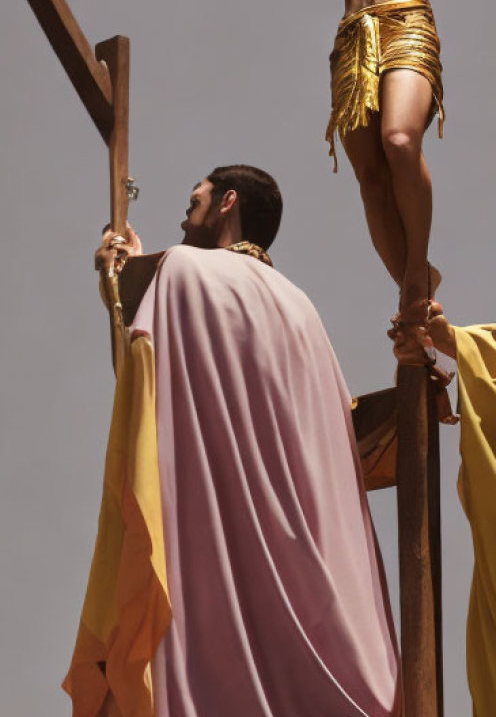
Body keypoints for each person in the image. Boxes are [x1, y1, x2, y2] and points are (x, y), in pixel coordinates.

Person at [68, 165, 401, 717]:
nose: (184, 213)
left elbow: (148, 383)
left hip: (218, 551)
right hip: (311, 574)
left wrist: (116, 282)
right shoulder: (303, 311)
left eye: (192, 198)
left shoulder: (181, 273)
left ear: (227, 202)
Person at [249, 0, 450, 344]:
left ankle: (416, 269)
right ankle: (413, 296)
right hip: (353, 37)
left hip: (405, 21)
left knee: (399, 140)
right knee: (370, 177)